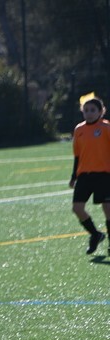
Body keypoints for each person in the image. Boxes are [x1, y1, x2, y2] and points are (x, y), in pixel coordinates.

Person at [70, 93, 110, 254]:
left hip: (104, 175)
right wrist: (74, 176)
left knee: (108, 209)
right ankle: (95, 234)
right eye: (86, 110)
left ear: (100, 111)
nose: (89, 113)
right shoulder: (79, 130)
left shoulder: (106, 128)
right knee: (77, 208)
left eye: (93, 110)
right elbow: (77, 155)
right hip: (84, 176)